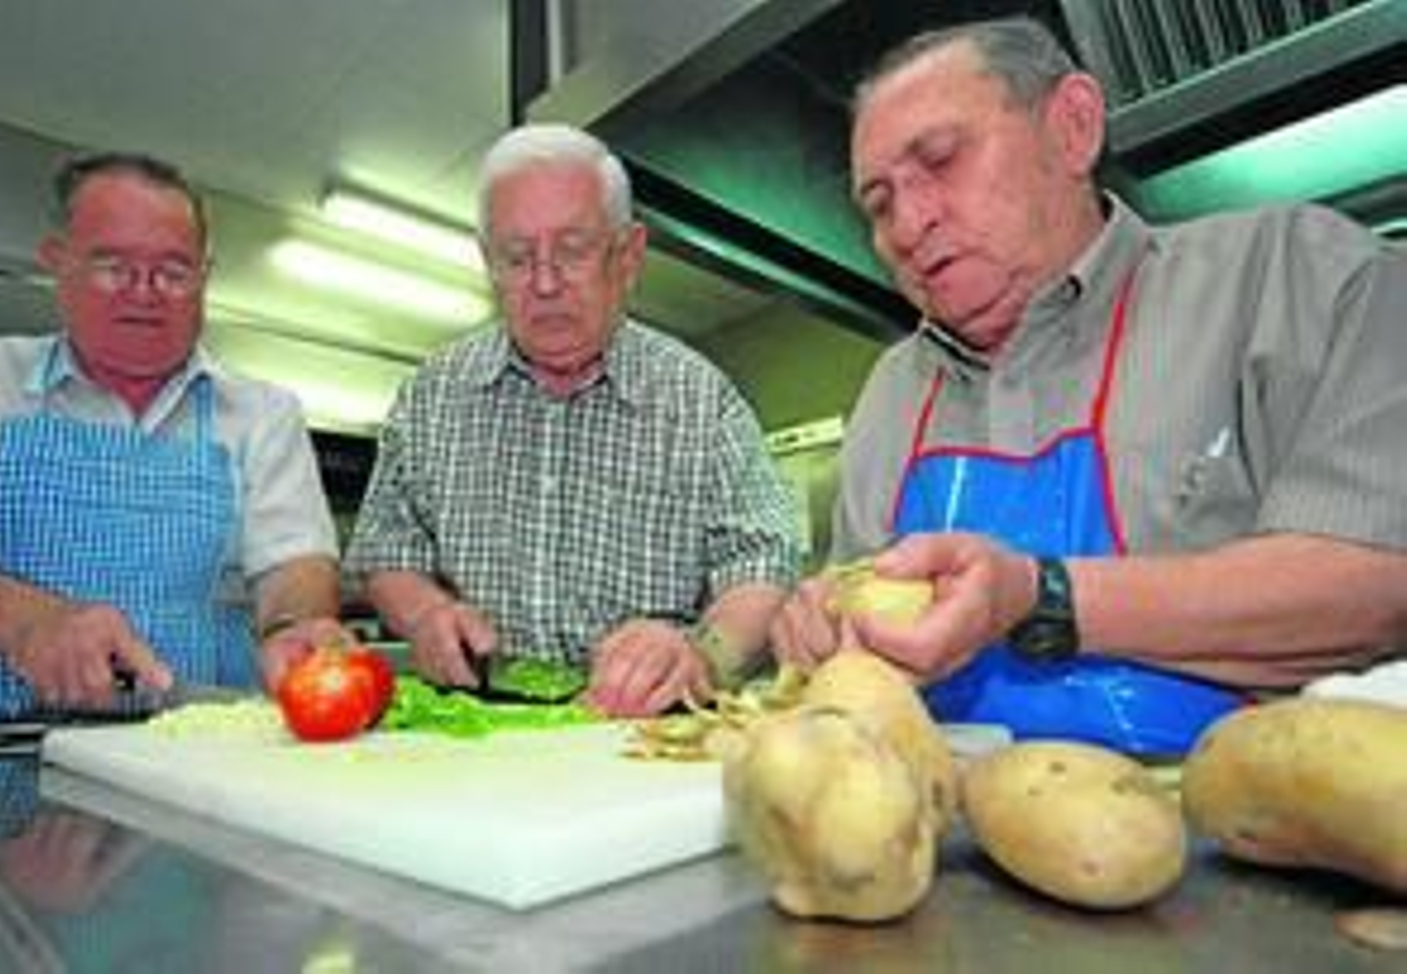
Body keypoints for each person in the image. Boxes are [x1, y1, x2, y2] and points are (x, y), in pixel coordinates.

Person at [770, 15, 1407, 754]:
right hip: (940, 837)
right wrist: (818, 627)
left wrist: (1038, 596)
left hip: (1263, 839)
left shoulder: (1296, 278)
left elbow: (1378, 588)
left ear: (1073, 127)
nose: (908, 225)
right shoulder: (890, 391)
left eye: (941, 160)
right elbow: (857, 635)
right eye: (877, 205)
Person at [0, 152, 347, 721]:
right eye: (113, 266)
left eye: (173, 272)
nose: (144, 292)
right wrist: (22, 620)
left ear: (205, 277)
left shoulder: (263, 415)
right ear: (56, 261)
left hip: (198, 758)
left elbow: (294, 566)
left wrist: (295, 627)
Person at [344, 123, 801, 717]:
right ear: (488, 262)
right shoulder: (432, 395)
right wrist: (427, 615)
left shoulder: (701, 402)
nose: (544, 282)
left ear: (629, 254)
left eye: (572, 249)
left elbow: (763, 565)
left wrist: (701, 654)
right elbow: (384, 548)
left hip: (641, 737)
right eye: (516, 256)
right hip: (476, 734)